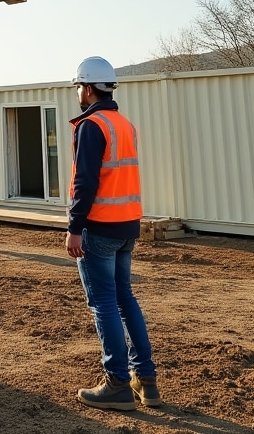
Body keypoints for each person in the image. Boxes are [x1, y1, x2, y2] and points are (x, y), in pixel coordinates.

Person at [65, 55, 160, 412]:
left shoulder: (91, 126)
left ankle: (117, 382)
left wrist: (75, 227)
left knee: (103, 303)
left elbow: (85, 182)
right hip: (127, 226)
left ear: (88, 88)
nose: (78, 93)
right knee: (124, 299)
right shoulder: (125, 125)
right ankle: (145, 380)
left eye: (79, 87)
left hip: (99, 228)